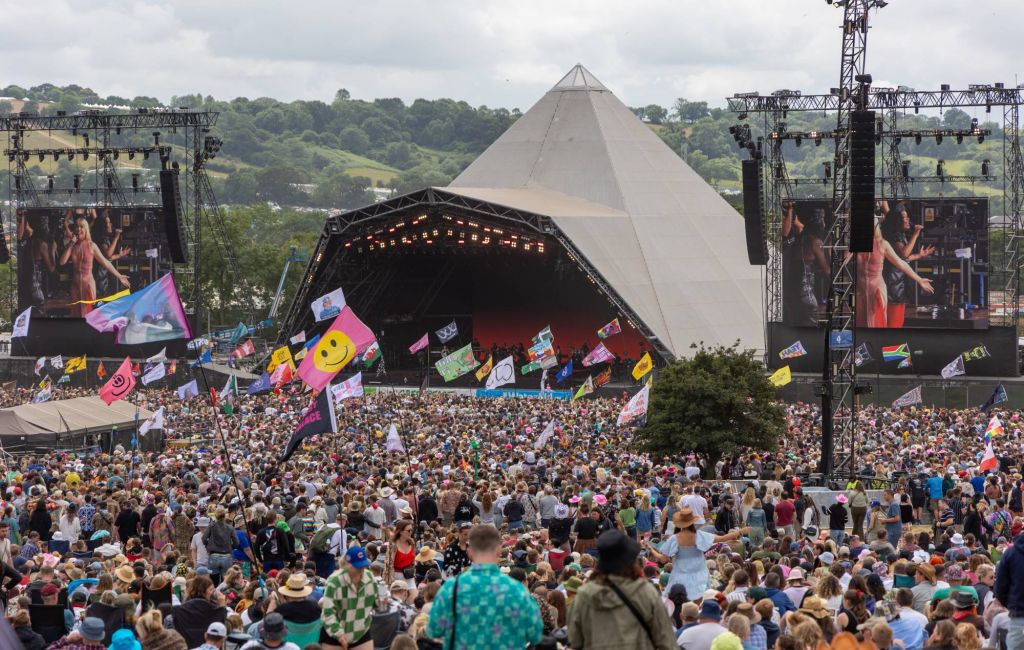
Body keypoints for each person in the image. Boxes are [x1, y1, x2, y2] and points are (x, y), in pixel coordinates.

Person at [426, 524, 543, 650]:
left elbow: (433, 630)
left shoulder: (451, 589)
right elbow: (535, 634)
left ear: (469, 552)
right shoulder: (517, 590)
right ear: (499, 550)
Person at [567, 529, 677, 649]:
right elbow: (667, 642)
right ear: (631, 562)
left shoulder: (584, 596)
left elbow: (575, 641)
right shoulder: (646, 593)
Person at [643, 508, 746, 597]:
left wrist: (650, 548)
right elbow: (722, 538)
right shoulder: (700, 535)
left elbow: (663, 559)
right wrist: (740, 532)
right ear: (692, 522)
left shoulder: (674, 539)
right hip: (700, 575)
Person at [855, 216, 935, 328]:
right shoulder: (859, 244)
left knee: (876, 323)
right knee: (861, 325)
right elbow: (842, 261)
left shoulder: (882, 244)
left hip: (876, 289)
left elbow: (901, 262)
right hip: (861, 291)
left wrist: (919, 279)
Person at [58, 216, 130, 317]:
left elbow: (105, 262)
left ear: (86, 229)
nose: (79, 229)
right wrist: (71, 243)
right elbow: (62, 262)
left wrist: (119, 276)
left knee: (87, 314)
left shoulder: (91, 245)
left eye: (82, 226)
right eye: (77, 226)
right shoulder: (72, 246)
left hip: (88, 284)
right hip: (75, 285)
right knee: (76, 314)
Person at [880, 200, 935, 328]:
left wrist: (919, 255)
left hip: (897, 284)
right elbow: (904, 255)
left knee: (895, 321)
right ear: (897, 221)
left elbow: (903, 257)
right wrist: (915, 234)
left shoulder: (899, 235)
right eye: (904, 217)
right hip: (892, 285)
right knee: (893, 323)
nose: (907, 219)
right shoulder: (894, 235)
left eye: (907, 217)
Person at [321, 546, 386, 650]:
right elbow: (327, 613)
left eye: (363, 566)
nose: (361, 570)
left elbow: (379, 606)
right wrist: (339, 634)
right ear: (347, 564)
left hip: (360, 632)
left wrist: (383, 598)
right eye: (357, 567)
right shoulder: (334, 581)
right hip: (334, 634)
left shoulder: (370, 578)